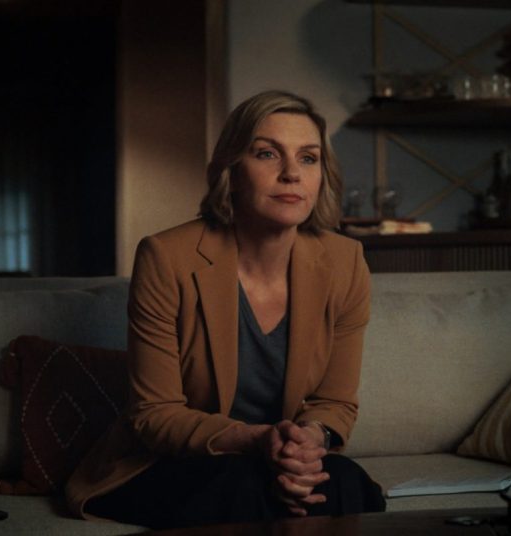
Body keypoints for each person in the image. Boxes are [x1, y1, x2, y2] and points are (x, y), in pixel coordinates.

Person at [65, 90, 386, 529]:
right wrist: (258, 440)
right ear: (231, 171)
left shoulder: (345, 262)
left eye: (308, 158)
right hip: (170, 462)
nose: (292, 173)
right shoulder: (166, 257)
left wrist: (309, 441)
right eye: (267, 153)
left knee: (347, 482)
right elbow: (155, 415)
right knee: (244, 487)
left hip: (273, 464)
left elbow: (334, 402)